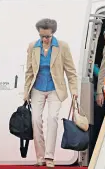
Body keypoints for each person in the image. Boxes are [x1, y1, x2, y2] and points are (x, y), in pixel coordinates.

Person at [24, 18, 78, 168]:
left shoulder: (62, 46)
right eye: (42, 36)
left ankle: (49, 157)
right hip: (37, 88)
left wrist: (74, 90)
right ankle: (40, 157)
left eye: (47, 36)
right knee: (35, 120)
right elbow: (29, 71)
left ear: (53, 33)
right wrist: (25, 91)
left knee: (52, 118)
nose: (45, 39)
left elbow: (71, 71)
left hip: (55, 88)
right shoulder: (32, 47)